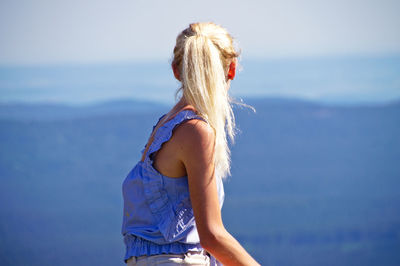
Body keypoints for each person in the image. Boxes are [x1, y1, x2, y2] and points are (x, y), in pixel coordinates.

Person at [122, 22, 260, 266]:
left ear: (176, 70)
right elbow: (212, 236)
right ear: (232, 70)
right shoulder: (197, 131)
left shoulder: (166, 127)